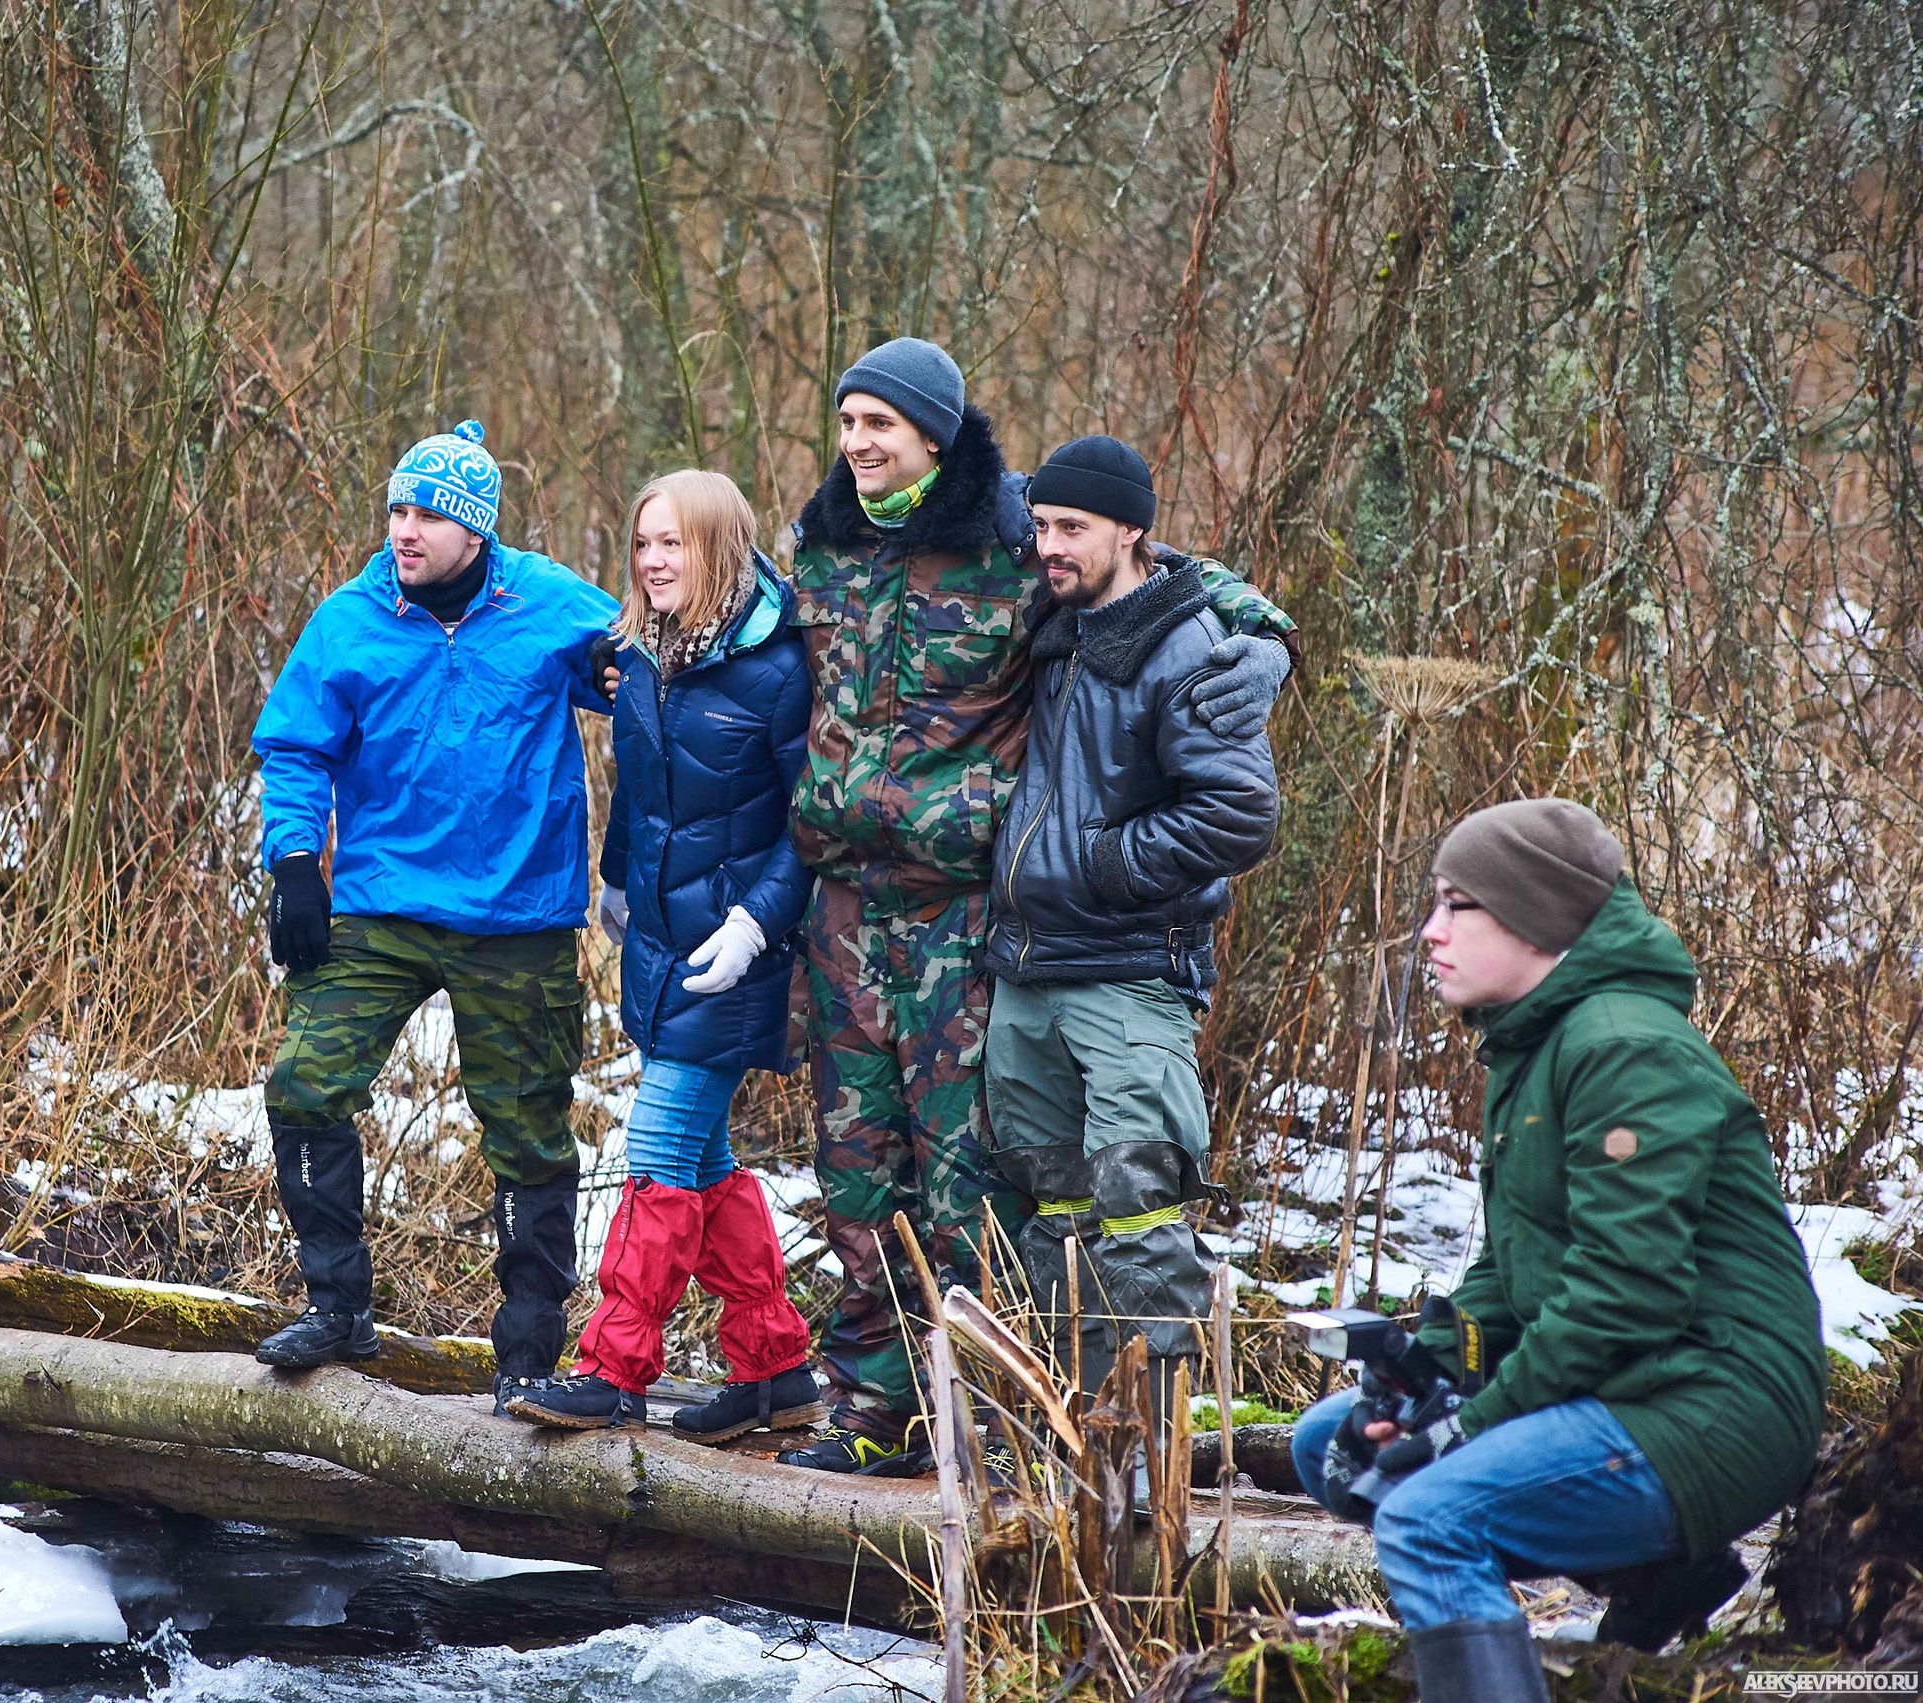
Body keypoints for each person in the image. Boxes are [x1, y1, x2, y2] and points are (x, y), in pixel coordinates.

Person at [776, 336, 1300, 1474]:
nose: (859, 443)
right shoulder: (819, 546)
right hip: (842, 915)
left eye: (882, 423)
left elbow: (1170, 574)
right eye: (847, 420)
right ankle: (873, 1407)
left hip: (965, 916)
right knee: (857, 1176)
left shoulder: (1018, 532)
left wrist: (1261, 644)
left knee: (971, 1181)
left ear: (935, 433)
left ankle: (989, 1411)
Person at [1289, 800, 1826, 1698]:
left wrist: (1473, 1423)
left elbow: (1626, 1294)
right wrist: (1417, 1376)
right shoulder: (1534, 1041)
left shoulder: (1622, 1047)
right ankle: (1660, 1579)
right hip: (1635, 1377)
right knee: (1327, 1445)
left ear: (1535, 915)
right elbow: (1514, 1269)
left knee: (1425, 1518)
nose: (1430, 932)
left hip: (1712, 1401)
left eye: (1457, 904)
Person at [248, 421, 619, 1417]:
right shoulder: (350, 619)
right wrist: (293, 861)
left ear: (474, 529)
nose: (405, 530)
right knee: (304, 1084)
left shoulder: (550, 607)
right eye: (397, 509)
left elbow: (660, 677)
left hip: (519, 910)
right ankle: (338, 1307)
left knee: (528, 1131)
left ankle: (529, 1351)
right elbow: (294, 747)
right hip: (381, 901)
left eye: (428, 514)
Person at [504, 470, 823, 1437]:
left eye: (673, 544)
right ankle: (774, 1368)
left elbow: (812, 825)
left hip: (739, 951)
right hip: (658, 942)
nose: (652, 561)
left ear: (719, 548)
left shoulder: (778, 667)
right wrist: (614, 880)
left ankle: (613, 1367)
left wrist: (757, 923)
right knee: (706, 1158)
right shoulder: (639, 656)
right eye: (643, 542)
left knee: (653, 1155)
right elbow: (641, 791)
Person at [980, 437, 1279, 1419]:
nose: (1048, 545)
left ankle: (1163, 1467)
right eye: (1043, 525)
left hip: (1125, 977)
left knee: (1140, 1219)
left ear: (1132, 532)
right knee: (1055, 1219)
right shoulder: (1057, 620)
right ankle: (1075, 1435)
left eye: (1071, 529)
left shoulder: (1188, 648)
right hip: (1028, 974)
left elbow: (1239, 812)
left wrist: (1106, 864)